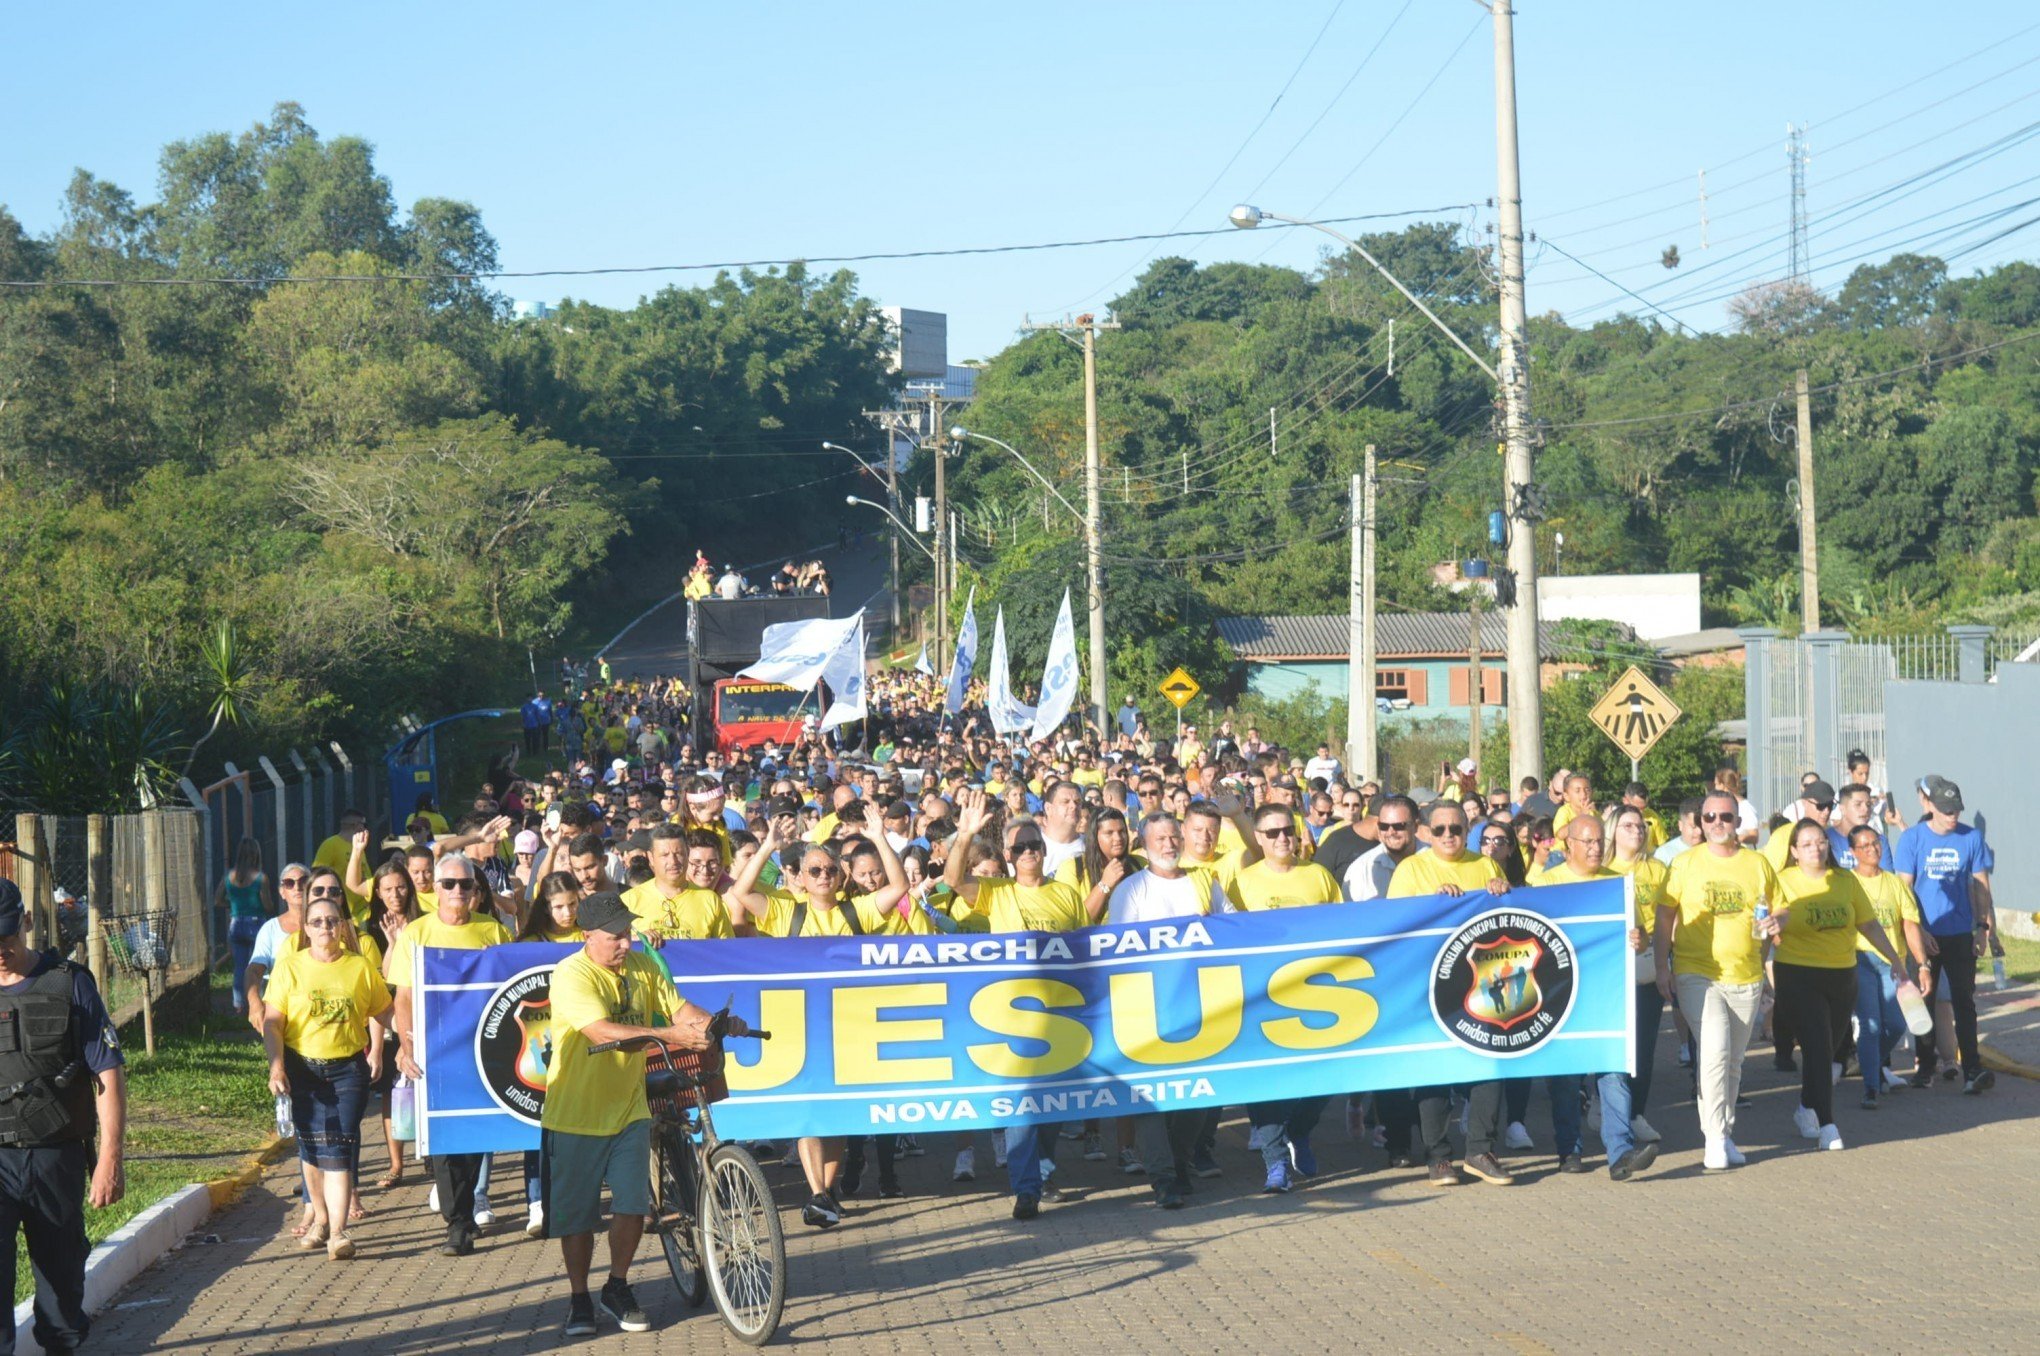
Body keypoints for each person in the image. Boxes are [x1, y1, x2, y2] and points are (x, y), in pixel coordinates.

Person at [542, 890, 739, 1337]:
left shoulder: (643, 964)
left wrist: (713, 1025)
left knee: (631, 1206)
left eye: (628, 933)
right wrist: (667, 1034)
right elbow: (602, 1031)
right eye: (615, 937)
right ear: (587, 935)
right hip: (574, 1114)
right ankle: (578, 1298)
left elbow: (680, 1009)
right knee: (577, 1219)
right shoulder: (571, 974)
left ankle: (617, 1286)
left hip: (629, 1108)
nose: (626, 943)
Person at [940, 789, 1086, 1221]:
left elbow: (1086, 951)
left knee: (1053, 1109)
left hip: (1062, 1019)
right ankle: (1026, 1189)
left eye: (1033, 846)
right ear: (1007, 855)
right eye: (1018, 848)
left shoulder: (1067, 895)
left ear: (1044, 850)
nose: (1027, 853)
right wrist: (964, 834)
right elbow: (952, 881)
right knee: (1024, 1107)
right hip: (1011, 1020)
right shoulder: (995, 891)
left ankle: (1041, 1172)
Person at [0, 879, 126, 1354]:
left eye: (7, 936)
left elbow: (108, 1074)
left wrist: (111, 1159)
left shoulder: (69, 984)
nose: (0, 949)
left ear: (27, 922)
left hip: (55, 1157)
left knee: (60, 1294)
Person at [261, 880, 392, 1260]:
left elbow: (382, 1010)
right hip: (302, 1066)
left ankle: (338, 1232)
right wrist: (276, 1066)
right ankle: (319, 1218)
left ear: (342, 926)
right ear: (306, 928)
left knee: (338, 1143)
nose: (324, 929)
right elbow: (273, 1022)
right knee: (310, 1145)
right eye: (316, 922)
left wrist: (390, 1046)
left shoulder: (359, 967)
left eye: (332, 922)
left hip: (347, 1068)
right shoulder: (290, 968)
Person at [391, 853, 514, 1255]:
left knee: (477, 1133)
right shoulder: (416, 934)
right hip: (436, 1050)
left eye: (466, 885)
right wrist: (407, 1048)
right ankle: (457, 1223)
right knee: (445, 1140)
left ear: (477, 892)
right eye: (449, 884)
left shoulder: (493, 932)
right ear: (436, 889)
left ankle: (467, 1207)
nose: (457, 891)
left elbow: (508, 989)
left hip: (483, 1046)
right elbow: (404, 998)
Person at [1105, 815, 1230, 1206]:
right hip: (1147, 1009)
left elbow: (1234, 932)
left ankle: (1178, 1162)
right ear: (1144, 843)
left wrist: (1215, 928)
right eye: (1160, 838)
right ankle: (1163, 1178)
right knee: (1151, 1100)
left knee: (1198, 1096)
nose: (1169, 844)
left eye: (1174, 836)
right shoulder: (1131, 889)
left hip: (1200, 1005)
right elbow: (1122, 949)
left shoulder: (1203, 881)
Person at [1387, 800, 1512, 1187]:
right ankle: (1439, 1157)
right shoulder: (1411, 868)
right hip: (1430, 985)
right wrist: (1432, 904)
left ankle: (1479, 1150)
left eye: (1456, 829)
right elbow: (1397, 925)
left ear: (1467, 829)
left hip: (1480, 983)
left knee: (1489, 1066)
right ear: (1425, 831)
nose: (1448, 837)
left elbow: (1507, 917)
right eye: (1439, 830)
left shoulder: (1484, 864)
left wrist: (1502, 889)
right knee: (1435, 1071)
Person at [1652, 791, 1777, 1171]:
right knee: (1714, 1051)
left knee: (1734, 1062)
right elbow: (1663, 917)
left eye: (1725, 816)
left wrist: (1776, 925)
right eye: (1709, 817)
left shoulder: (1758, 864)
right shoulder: (1684, 864)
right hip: (1696, 972)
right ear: (1698, 822)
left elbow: (1778, 909)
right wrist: (1662, 968)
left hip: (1746, 973)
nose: (1717, 823)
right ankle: (1714, 1139)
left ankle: (1725, 1131)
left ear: (1738, 821)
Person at [1770, 819, 1907, 1151]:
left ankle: (1805, 1107)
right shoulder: (1783, 881)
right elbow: (1778, 916)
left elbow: (1868, 924)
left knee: (1828, 1049)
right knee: (1818, 1046)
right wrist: (1778, 923)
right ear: (1793, 851)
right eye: (1806, 844)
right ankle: (1828, 1124)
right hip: (1798, 972)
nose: (1815, 848)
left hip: (1842, 974)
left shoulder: (1845, 880)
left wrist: (1895, 959)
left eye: (1820, 842)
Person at [1227, 803, 1341, 1193]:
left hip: (1317, 995)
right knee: (1267, 1084)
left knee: (1324, 1080)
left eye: (1287, 831)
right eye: (1272, 833)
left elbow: (1346, 929)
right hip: (1261, 998)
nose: (1282, 839)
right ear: (1258, 838)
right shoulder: (1242, 882)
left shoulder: (1319, 876)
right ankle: (1276, 1163)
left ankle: (1299, 1132)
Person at [1894, 775, 1996, 1094]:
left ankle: (1972, 1068)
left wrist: (1983, 928)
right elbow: (1904, 891)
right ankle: (1925, 1067)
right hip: (1924, 934)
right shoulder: (1912, 839)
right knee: (1923, 1000)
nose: (1953, 817)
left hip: (1960, 933)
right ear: (1931, 806)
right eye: (1947, 810)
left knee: (1964, 1002)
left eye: (1956, 810)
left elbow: (1981, 886)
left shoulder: (1971, 838)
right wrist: (1919, 930)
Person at [1846, 823, 1927, 1109]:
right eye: (1865, 846)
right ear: (1853, 851)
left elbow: (1910, 924)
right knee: (1871, 1024)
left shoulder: (1894, 883)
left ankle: (1868, 1062)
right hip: (1860, 960)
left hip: (1893, 962)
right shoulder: (1848, 882)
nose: (1873, 849)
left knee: (1895, 1024)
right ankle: (1871, 1086)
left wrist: (1922, 965)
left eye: (1876, 843)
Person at [217, 835, 272, 1017]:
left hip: (236, 923)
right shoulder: (261, 878)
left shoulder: (229, 876)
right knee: (260, 965)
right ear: (256, 855)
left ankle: (239, 1005)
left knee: (240, 966)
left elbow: (217, 900)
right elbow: (268, 905)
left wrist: (232, 906)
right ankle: (261, 1001)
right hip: (256, 923)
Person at [1344, 796, 1419, 902]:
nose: (1391, 832)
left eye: (1399, 826)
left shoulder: (1435, 860)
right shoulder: (1360, 870)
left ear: (1415, 826)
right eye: (1384, 826)